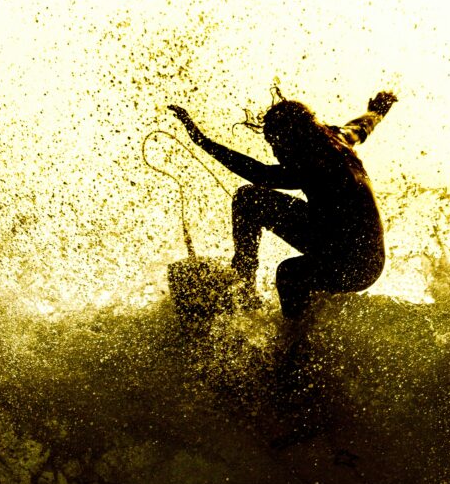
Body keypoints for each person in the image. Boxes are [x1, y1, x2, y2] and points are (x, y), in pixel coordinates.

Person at [168, 87, 396, 318]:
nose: (275, 153)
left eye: (275, 144)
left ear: (292, 138)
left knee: (289, 272)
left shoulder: (315, 164)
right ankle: (244, 282)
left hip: (356, 265)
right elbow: (361, 127)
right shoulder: (335, 138)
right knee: (250, 199)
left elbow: (260, 174)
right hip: (345, 245)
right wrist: (375, 112)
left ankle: (292, 341)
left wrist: (202, 141)